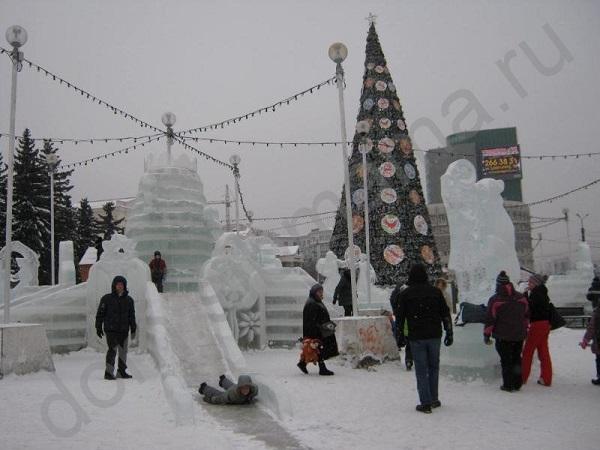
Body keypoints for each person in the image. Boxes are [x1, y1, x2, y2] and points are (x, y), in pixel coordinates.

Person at [393, 264, 453, 414]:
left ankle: (425, 402)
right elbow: (445, 313)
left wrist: (399, 336)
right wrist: (449, 331)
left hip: (416, 335)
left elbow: (400, 317)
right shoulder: (435, 292)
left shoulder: (406, 294)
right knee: (434, 367)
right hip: (434, 334)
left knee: (421, 369)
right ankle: (434, 398)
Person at [483, 271, 529, 392]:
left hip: (503, 335)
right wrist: (525, 330)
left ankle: (508, 384)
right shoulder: (521, 298)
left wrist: (487, 334)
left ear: (498, 285)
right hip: (519, 335)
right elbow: (526, 316)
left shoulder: (495, 300)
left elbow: (490, 319)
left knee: (506, 360)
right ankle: (517, 383)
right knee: (516, 358)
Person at [95, 275, 137, 380]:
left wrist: (133, 327)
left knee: (123, 351)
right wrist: (98, 327)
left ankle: (121, 371)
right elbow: (100, 314)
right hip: (111, 329)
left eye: (122, 284)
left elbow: (131, 315)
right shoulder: (106, 299)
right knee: (112, 350)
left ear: (125, 286)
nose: (120, 286)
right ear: (114, 285)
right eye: (118, 284)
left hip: (123, 329)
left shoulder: (129, 300)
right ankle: (108, 373)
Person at [297, 284, 339, 376]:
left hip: (322, 329)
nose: (321, 294)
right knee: (319, 349)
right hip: (317, 332)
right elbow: (311, 320)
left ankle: (303, 363)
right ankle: (322, 368)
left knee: (316, 350)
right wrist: (317, 331)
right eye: (319, 292)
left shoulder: (315, 301)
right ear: (314, 292)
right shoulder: (312, 303)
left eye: (321, 292)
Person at [521, 273, 553, 386]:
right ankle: (546, 378)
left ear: (536, 283)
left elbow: (530, 309)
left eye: (530, 282)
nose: (528, 284)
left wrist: (524, 296)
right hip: (545, 324)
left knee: (527, 352)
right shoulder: (543, 292)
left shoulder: (536, 294)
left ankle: (522, 377)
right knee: (543, 352)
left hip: (537, 325)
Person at [389, 282, 413, 371]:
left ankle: (408, 360)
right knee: (413, 343)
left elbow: (393, 301)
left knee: (409, 343)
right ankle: (410, 360)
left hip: (404, 320)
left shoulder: (398, 292)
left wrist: (397, 311)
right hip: (411, 321)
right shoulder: (408, 293)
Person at [579, 303, 600, 385]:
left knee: (599, 360)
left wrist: (585, 341)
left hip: (599, 341)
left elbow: (591, 328)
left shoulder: (597, 313)